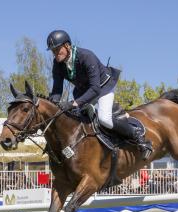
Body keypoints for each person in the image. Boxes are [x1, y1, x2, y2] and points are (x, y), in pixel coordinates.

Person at [47, 30, 152, 160]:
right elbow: (57, 90)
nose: (56, 54)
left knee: (104, 119)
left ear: (67, 46)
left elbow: (95, 89)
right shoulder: (57, 64)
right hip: (83, 92)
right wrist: (51, 107)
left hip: (103, 88)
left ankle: (136, 135)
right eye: (53, 51)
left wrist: (74, 103)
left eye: (58, 50)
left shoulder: (86, 56)